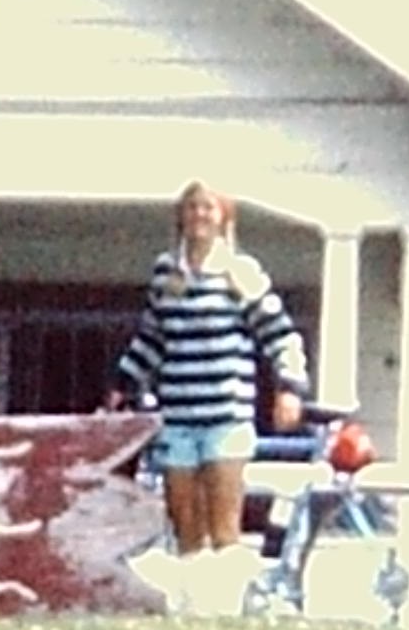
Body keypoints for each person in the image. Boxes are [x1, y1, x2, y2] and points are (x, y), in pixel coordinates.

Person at [114, 181, 308, 561]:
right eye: (191, 208)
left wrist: (290, 386)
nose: (199, 215)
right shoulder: (166, 273)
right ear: (181, 217)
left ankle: (225, 600)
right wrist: (123, 382)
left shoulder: (240, 273)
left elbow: (279, 334)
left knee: (223, 524)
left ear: (223, 217)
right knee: (184, 521)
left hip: (225, 418)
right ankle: (192, 603)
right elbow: (152, 337)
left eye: (208, 208)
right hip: (178, 416)